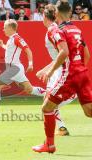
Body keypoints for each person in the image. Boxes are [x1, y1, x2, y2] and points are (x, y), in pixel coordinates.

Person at [32, 1, 92, 153]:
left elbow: (63, 52)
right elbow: (87, 55)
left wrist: (51, 71)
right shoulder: (76, 29)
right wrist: (79, 71)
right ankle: (50, 143)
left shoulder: (58, 30)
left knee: (46, 107)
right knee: (89, 112)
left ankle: (49, 145)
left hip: (69, 75)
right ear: (71, 12)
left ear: (56, 14)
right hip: (82, 73)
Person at [0, 19, 46, 118]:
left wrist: (30, 64)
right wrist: (2, 45)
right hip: (14, 69)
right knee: (29, 89)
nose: (3, 29)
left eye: (5, 27)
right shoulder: (11, 39)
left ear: (11, 28)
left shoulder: (17, 38)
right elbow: (10, 51)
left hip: (14, 69)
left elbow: (28, 50)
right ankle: (50, 95)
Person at [37, 4, 75, 136]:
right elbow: (58, 56)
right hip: (59, 70)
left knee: (49, 104)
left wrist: (50, 71)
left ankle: (51, 140)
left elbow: (63, 53)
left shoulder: (53, 30)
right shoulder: (56, 29)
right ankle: (61, 128)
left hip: (62, 71)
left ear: (45, 16)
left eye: (42, 15)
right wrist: (45, 69)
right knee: (48, 102)